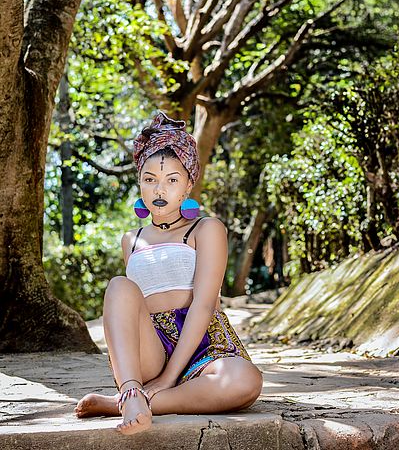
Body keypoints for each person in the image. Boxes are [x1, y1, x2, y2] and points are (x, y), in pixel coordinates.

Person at [74, 111, 263, 435]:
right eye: (150, 179)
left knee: (246, 381)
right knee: (120, 286)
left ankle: (130, 401)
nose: (159, 189)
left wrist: (168, 377)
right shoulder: (130, 240)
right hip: (152, 347)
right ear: (140, 183)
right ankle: (132, 389)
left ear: (189, 184)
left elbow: (204, 306)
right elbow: (130, 309)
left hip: (204, 342)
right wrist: (155, 372)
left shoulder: (206, 228)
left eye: (171, 180)